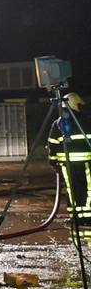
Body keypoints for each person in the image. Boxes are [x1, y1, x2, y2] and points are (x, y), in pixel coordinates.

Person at [48, 91, 91, 247]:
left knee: (73, 190)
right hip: (86, 162)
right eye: (79, 104)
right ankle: (86, 216)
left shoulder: (58, 123)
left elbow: (52, 144)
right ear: (73, 103)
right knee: (87, 189)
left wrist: (53, 162)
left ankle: (76, 217)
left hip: (67, 163)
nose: (80, 107)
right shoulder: (85, 121)